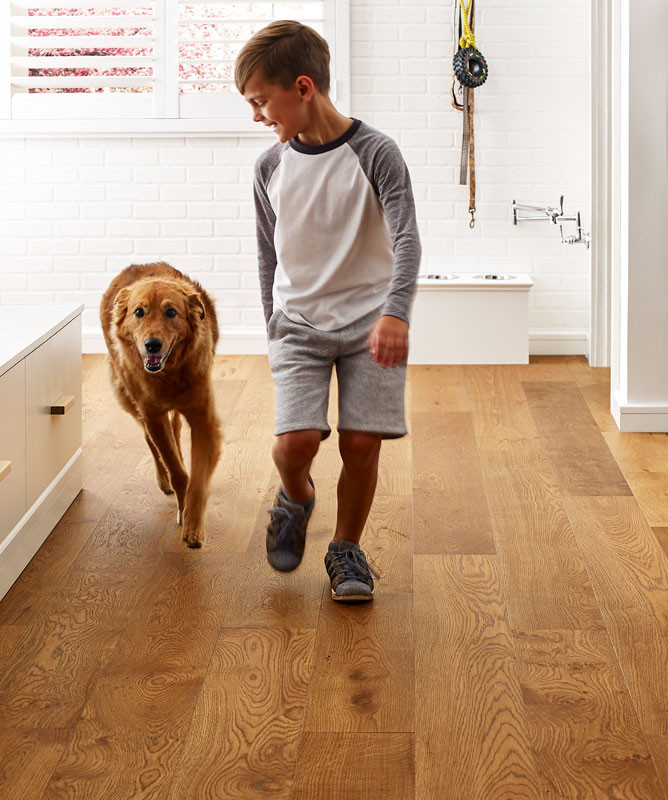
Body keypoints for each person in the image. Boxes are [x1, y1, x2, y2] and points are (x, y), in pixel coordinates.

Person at [236, 20, 420, 602]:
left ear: (304, 87)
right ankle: (297, 497)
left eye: (262, 101)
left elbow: (407, 240)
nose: (259, 116)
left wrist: (397, 312)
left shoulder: (376, 153)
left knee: (362, 445)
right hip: (299, 327)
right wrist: (273, 329)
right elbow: (269, 255)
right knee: (294, 445)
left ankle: (346, 548)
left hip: (372, 323)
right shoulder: (270, 168)